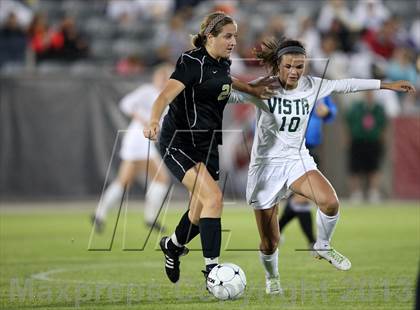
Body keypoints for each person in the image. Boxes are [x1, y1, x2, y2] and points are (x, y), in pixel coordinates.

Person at [228, 37, 415, 294]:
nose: (294, 72)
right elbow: (231, 96)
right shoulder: (263, 88)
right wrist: (205, 87)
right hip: (265, 167)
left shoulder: (312, 85)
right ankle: (273, 278)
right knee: (270, 242)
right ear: (277, 66)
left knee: (330, 202)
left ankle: (323, 245)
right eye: (289, 66)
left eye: (299, 66)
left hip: (297, 159)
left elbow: (345, 85)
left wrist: (386, 85)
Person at [143, 11, 273, 286]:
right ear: (209, 37)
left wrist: (252, 89)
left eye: (235, 36)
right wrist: (153, 120)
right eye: (227, 36)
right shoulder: (191, 62)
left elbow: (226, 80)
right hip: (179, 142)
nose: (233, 41)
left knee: (200, 209)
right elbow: (165, 95)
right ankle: (212, 271)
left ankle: (173, 246)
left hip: (208, 143)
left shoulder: (223, 62)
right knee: (213, 199)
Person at [92, 64, 173, 233]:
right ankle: (150, 218)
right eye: (163, 77)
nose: (164, 80)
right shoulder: (148, 91)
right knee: (162, 179)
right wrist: (144, 119)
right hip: (139, 139)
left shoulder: (166, 97)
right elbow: (126, 104)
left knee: (124, 181)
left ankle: (99, 214)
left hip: (139, 140)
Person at [278, 95, 337, 250]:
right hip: (290, 150)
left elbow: (331, 112)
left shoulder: (320, 89)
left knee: (300, 199)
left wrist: (327, 112)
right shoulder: (285, 90)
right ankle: (313, 242)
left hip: (310, 149)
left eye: (300, 68)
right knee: (301, 198)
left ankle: (276, 231)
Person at [345, 90, 388, 202]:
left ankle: (374, 192)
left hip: (373, 142)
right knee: (355, 168)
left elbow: (383, 126)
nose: (369, 95)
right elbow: (347, 123)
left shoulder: (378, 109)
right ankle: (356, 193)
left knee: (374, 167)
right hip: (358, 141)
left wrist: (382, 140)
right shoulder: (356, 108)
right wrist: (347, 139)